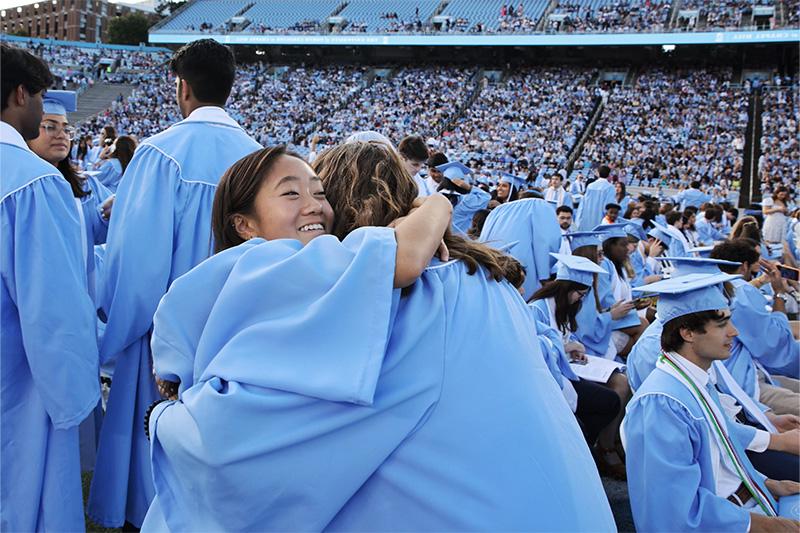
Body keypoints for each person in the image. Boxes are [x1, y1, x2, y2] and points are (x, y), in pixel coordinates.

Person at [145, 141, 616, 531]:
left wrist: (163, 420)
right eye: (293, 194)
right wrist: (437, 203)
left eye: (320, 192)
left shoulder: (396, 304)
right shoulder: (485, 281)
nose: (315, 208)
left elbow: (229, 448)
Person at [88, 39, 262, 529]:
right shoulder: (262, 161)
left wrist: (114, 327)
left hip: (163, 338)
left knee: (154, 455)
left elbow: (136, 265)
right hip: (235, 335)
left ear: (182, 87)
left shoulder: (162, 154)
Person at [1, 43, 100, 532]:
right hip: (16, 376)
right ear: (20, 94)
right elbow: (52, 308)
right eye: (40, 98)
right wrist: (75, 397)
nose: (44, 110)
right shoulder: (31, 181)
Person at [623, 274, 800, 532]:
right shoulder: (661, 403)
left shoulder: (695, 380)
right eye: (721, 324)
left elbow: (720, 446)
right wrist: (765, 526)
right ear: (688, 333)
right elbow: (675, 508)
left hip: (737, 506)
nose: (734, 331)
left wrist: (766, 482)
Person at [529, 253, 627, 479]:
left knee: (620, 384)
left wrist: (573, 349)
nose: (580, 300)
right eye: (579, 294)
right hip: (552, 376)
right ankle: (589, 452)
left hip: (569, 366)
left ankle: (600, 448)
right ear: (566, 289)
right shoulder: (538, 309)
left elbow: (567, 336)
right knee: (610, 398)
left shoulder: (562, 306)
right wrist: (566, 347)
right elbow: (535, 349)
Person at [710, 240, 800, 417]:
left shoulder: (715, 287)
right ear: (744, 266)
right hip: (743, 383)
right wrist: (779, 292)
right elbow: (773, 342)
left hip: (737, 375)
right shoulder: (741, 291)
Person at [480, 197, 562, 299]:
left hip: (493, 267)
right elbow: (548, 242)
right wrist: (545, 273)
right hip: (525, 268)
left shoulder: (498, 210)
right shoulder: (540, 206)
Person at [436, 161, 491, 234]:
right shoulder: (465, 201)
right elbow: (486, 197)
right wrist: (468, 187)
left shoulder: (435, 197)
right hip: (460, 241)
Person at [575, 165, 615, 230]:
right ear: (608, 175)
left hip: (587, 218)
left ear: (598, 173)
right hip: (600, 219)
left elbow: (583, 204)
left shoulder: (590, 186)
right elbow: (609, 207)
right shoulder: (610, 187)